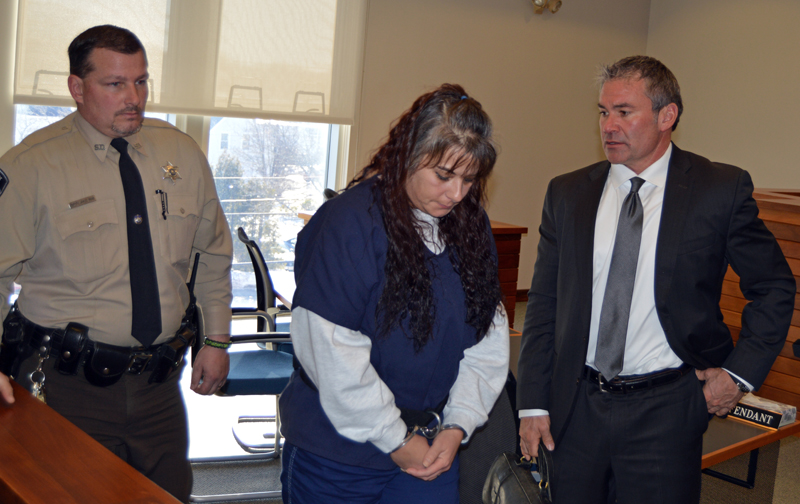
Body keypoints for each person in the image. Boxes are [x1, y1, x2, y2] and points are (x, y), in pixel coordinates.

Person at [516, 55, 796, 504]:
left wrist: (737, 375)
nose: (608, 125)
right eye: (603, 112)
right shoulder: (568, 193)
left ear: (668, 116)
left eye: (624, 112)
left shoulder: (718, 189)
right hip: (576, 405)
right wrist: (532, 403)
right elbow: (545, 303)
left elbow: (774, 287)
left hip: (667, 409)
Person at [0, 25, 233, 502]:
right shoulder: (32, 166)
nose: (134, 97)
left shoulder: (181, 152)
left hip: (158, 387)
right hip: (66, 386)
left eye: (142, 81)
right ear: (76, 87)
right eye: (115, 84)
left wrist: (215, 340)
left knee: (167, 496)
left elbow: (212, 254)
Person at [278, 84, 510, 504]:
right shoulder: (349, 224)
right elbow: (332, 354)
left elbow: (487, 343)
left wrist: (458, 425)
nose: (456, 194)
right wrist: (395, 438)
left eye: (469, 179)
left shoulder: (469, 228)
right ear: (407, 155)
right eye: (443, 175)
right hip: (338, 454)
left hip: (432, 447)